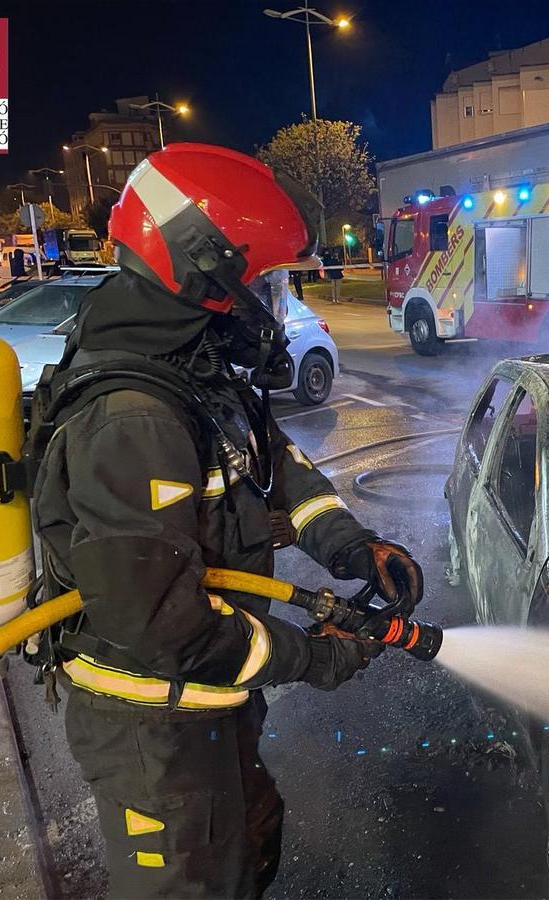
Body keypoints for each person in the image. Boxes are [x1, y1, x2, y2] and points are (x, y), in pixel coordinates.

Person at [29, 143, 423, 899]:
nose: (272, 303)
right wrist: (314, 656)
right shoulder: (135, 420)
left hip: (207, 706)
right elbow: (163, 628)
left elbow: (273, 466)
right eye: (265, 281)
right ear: (204, 269)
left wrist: (354, 547)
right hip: (156, 731)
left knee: (251, 843)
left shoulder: (191, 371)